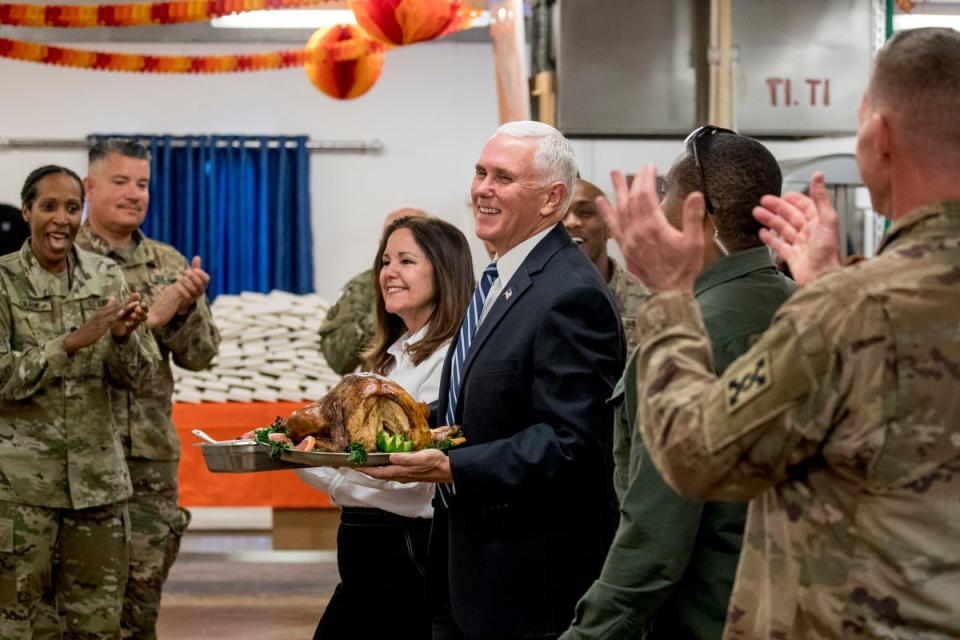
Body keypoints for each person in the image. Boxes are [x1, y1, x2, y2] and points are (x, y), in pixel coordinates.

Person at [598, 27, 960, 637]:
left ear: (881, 136)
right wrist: (824, 286)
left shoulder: (855, 311)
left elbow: (694, 458)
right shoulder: (847, 305)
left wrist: (668, 297)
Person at [367, 121, 625, 639]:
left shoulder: (569, 292)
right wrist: (367, 436)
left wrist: (450, 465)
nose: (482, 189)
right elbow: (483, 406)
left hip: (528, 581)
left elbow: (572, 441)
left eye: (503, 178)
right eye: (481, 172)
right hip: (468, 565)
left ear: (552, 199)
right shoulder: (502, 279)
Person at [561, 130, 795, 640]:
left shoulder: (687, 336)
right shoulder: (808, 308)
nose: (654, 210)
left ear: (698, 215)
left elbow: (655, 537)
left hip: (707, 617)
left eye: (664, 191)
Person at [0, 165, 157, 639]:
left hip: (98, 489)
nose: (61, 219)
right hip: (20, 492)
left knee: (97, 626)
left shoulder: (106, 275)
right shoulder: (3, 282)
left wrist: (127, 339)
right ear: (27, 210)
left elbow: (139, 376)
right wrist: (70, 343)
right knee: (18, 626)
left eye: (72, 208)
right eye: (48, 206)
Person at [299, 215, 474, 639]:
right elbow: (348, 452)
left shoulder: (453, 362)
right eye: (385, 261)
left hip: (407, 547)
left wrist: (326, 473)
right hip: (364, 547)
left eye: (406, 261)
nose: (388, 273)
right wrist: (291, 447)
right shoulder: (385, 359)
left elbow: (412, 482)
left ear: (445, 271)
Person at [74, 139, 220, 640]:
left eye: (142, 184)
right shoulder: (62, 259)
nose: (135, 194)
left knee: (141, 601)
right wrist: (150, 318)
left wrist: (180, 309)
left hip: (149, 459)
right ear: (89, 187)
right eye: (120, 181)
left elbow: (201, 354)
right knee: (80, 607)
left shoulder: (167, 261)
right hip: (78, 457)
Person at [319, 207, 427, 375]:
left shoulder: (459, 290)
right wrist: (374, 321)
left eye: (407, 260)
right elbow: (336, 360)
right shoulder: (360, 288)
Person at [563, 178, 650, 352]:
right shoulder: (534, 299)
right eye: (561, 214)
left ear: (610, 226)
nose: (571, 222)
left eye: (585, 212)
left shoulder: (647, 303)